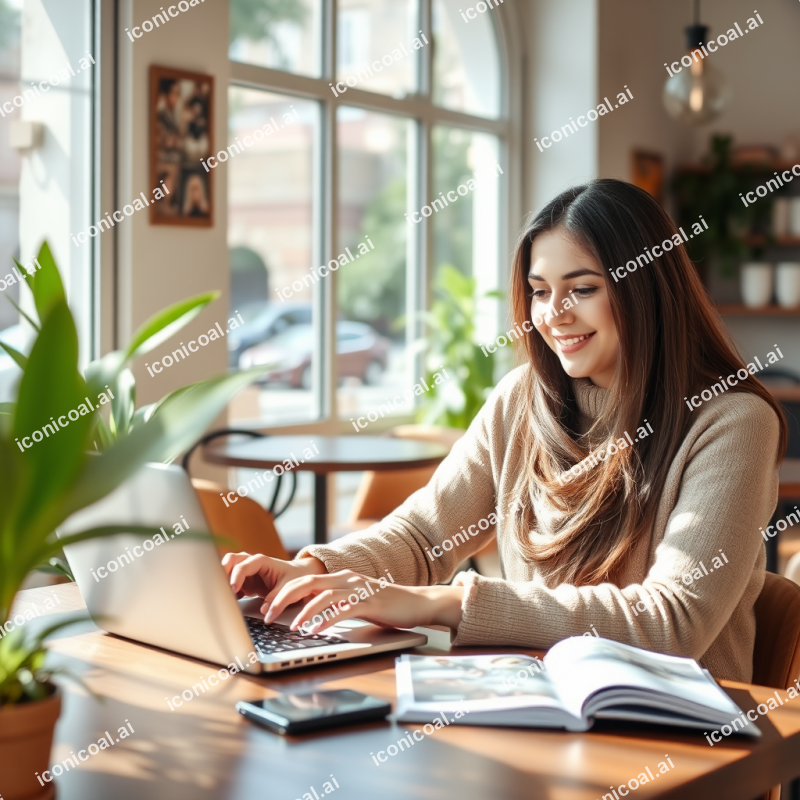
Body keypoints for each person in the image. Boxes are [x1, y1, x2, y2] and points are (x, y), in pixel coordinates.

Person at [223, 179, 786, 682]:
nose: (554, 313)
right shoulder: (523, 398)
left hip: (680, 735)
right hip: (535, 707)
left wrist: (440, 604)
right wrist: (312, 570)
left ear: (646, 290)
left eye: (582, 288)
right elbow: (423, 536)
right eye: (540, 290)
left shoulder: (731, 421)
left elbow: (673, 622)